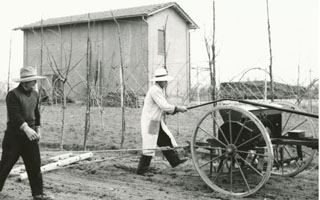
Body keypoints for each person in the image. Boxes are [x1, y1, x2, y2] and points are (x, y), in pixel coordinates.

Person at [0, 66, 54, 200]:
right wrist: (26, 128)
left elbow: (36, 114)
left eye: (35, 80)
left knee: (34, 165)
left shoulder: (35, 94)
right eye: (32, 81)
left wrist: (38, 130)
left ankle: (38, 194)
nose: (35, 83)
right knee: (5, 166)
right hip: (14, 138)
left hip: (30, 137)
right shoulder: (13, 95)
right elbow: (15, 116)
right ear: (24, 82)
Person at [137, 67, 188, 175]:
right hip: (151, 122)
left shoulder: (159, 90)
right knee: (149, 145)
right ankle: (142, 170)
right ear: (159, 81)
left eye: (166, 80)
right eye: (164, 81)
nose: (166, 83)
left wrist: (175, 110)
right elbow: (164, 106)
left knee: (164, 140)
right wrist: (178, 108)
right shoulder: (155, 90)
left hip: (155, 121)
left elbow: (165, 107)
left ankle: (175, 161)